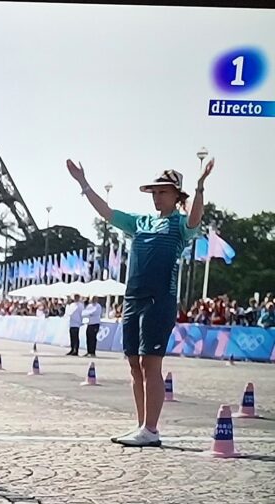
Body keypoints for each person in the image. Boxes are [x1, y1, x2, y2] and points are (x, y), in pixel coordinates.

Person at [68, 157, 208, 447]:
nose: (157, 197)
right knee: (134, 363)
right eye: (154, 192)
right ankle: (142, 425)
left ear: (176, 195)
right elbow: (107, 212)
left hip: (160, 298)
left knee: (149, 363)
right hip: (133, 298)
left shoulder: (180, 225)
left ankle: (151, 429)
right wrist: (83, 184)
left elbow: (195, 218)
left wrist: (200, 188)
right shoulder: (140, 222)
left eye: (163, 192)